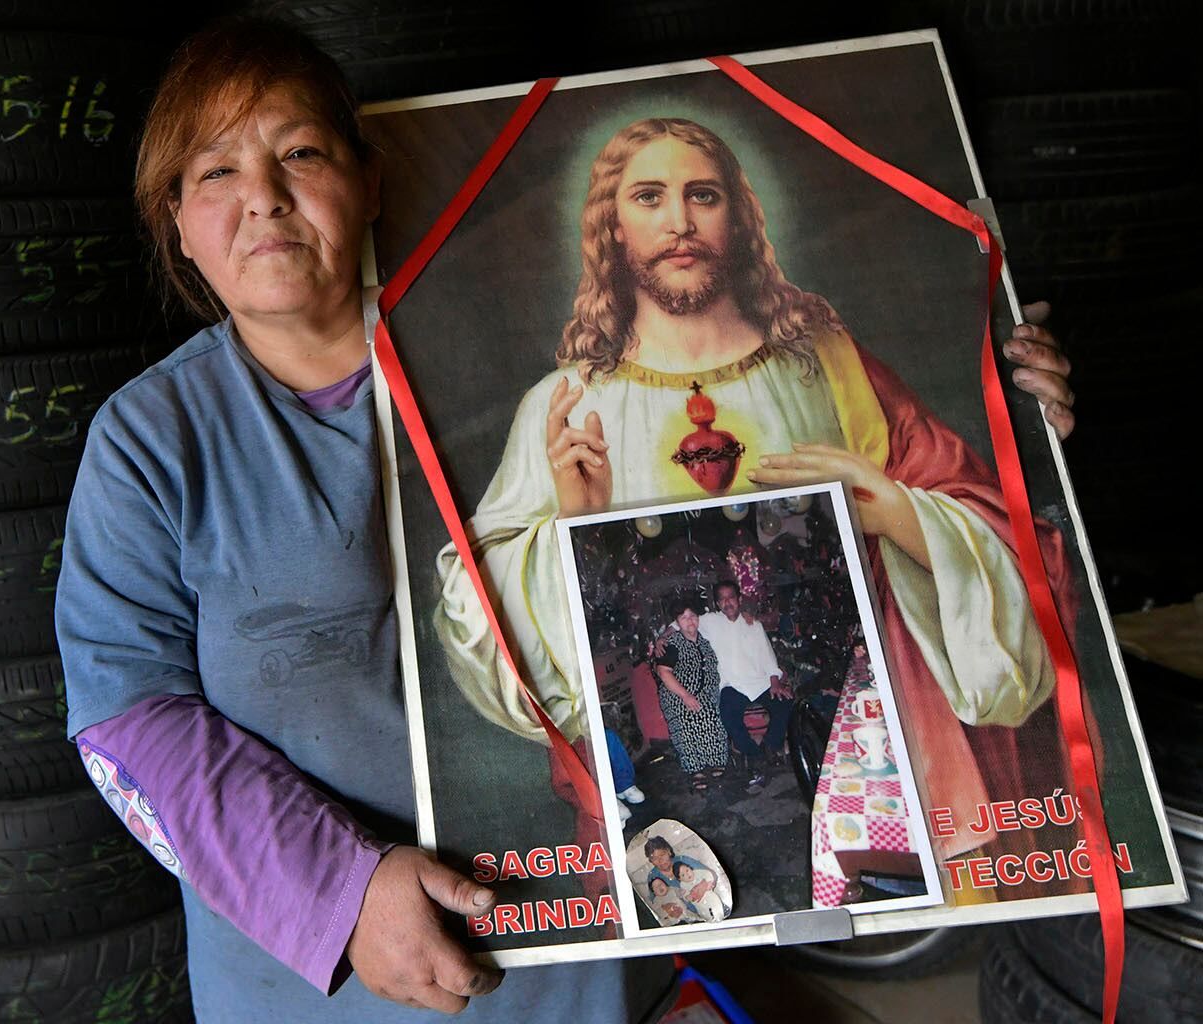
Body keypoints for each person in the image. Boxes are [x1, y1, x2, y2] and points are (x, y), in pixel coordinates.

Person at [54, 19, 654, 1023]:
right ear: (177, 220)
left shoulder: (532, 386)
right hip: (312, 978)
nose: (262, 197)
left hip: (567, 950)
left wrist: (1012, 404)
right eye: (215, 172)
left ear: (367, 181)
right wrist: (340, 891)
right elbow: (127, 719)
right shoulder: (150, 440)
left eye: (299, 152)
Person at [430, 116, 1082, 886]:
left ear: (738, 214)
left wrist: (899, 515)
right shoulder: (565, 406)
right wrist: (576, 535)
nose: (678, 221)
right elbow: (480, 622)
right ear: (611, 226)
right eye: (648, 197)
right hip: (684, 761)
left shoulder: (830, 367)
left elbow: (996, 525)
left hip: (867, 751)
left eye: (701, 195)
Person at [698, 580, 791, 787]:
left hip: (759, 682)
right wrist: (663, 638)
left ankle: (770, 746)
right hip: (733, 685)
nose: (727, 602)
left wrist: (775, 683)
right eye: (721, 599)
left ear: (739, 599)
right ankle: (754, 754)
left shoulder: (754, 625)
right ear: (717, 603)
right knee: (727, 713)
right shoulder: (710, 622)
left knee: (784, 703)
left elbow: (768, 657)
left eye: (730, 597)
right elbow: (682, 621)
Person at [650, 596, 728, 787]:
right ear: (677, 622)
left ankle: (715, 761)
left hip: (704, 693)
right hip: (676, 694)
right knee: (687, 718)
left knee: (711, 715)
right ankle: (695, 769)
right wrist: (685, 695)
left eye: (693, 616)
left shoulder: (704, 642)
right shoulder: (672, 644)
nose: (690, 620)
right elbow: (663, 672)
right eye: (684, 617)